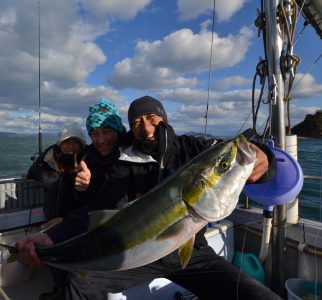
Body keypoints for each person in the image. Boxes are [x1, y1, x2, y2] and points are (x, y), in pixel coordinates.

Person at [18, 95, 280, 300]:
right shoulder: (123, 163)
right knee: (78, 284)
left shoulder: (191, 148)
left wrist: (265, 157)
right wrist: (52, 236)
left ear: (163, 118)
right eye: (136, 121)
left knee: (255, 295)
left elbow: (247, 163)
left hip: (193, 254)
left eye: (151, 117)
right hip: (140, 258)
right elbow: (98, 209)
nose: (145, 126)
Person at [36, 98, 127, 300]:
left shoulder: (129, 156)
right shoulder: (88, 157)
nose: (100, 139)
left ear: (118, 131)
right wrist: (83, 189)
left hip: (120, 228)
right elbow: (83, 199)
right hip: (86, 219)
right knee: (54, 242)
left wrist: (69, 219)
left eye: (106, 131)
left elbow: (110, 199)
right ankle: (62, 288)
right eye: (94, 133)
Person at [25, 123, 86, 220]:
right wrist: (29, 175)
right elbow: (35, 170)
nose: (71, 146)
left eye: (75, 143)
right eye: (66, 142)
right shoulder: (48, 158)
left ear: (81, 146)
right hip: (50, 218)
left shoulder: (88, 164)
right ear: (60, 144)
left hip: (74, 221)